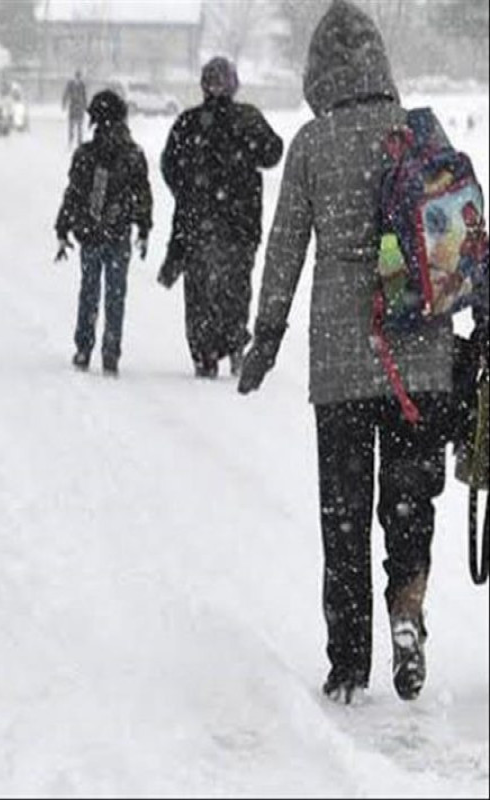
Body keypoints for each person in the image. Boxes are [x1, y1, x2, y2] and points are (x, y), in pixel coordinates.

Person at [237, 0, 486, 705]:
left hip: (343, 364)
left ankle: (349, 664)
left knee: (344, 516)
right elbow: (463, 241)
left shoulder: (312, 144)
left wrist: (266, 337)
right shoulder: (418, 136)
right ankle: (408, 613)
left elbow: (284, 249)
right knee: (409, 504)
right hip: (424, 359)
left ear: (319, 73)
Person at [159, 57, 283, 379]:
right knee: (236, 286)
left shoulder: (189, 123)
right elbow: (272, 153)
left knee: (199, 290)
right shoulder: (247, 119)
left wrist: (188, 191)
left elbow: (168, 165)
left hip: (198, 223)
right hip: (241, 223)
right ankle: (234, 341)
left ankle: (205, 353)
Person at [55, 90, 152, 376]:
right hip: (119, 234)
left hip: (90, 233)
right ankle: (111, 351)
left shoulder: (86, 154)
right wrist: (144, 227)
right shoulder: (133, 155)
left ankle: (84, 347)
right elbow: (142, 195)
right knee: (115, 294)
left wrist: (63, 228)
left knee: (89, 291)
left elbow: (73, 195)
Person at [61, 69, 89, 148]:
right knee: (72, 125)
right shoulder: (71, 84)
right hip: (73, 106)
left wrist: (86, 106)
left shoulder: (82, 85)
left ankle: (78, 142)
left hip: (79, 107)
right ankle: (71, 141)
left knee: (79, 126)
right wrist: (64, 103)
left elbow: (84, 96)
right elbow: (66, 94)